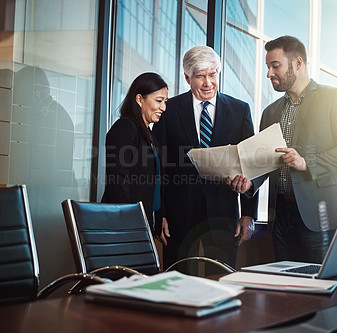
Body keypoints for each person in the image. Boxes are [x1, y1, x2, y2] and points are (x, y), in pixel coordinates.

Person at [227, 35, 337, 263]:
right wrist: (250, 182)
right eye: (267, 67)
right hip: (281, 217)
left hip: (321, 216)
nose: (269, 73)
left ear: (298, 63)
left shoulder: (334, 98)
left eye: (275, 66)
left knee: (321, 289)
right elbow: (265, 161)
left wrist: (307, 162)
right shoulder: (270, 112)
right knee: (287, 289)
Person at [153, 45, 258, 270]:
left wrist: (249, 214)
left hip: (223, 214)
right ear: (187, 77)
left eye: (212, 75)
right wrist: (159, 214)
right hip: (177, 215)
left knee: (220, 281)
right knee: (177, 281)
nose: (208, 82)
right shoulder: (168, 110)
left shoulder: (240, 111)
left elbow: (250, 164)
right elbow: (159, 165)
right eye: (200, 76)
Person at [101, 72, 168, 230]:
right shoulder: (125, 127)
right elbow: (119, 180)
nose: (163, 107)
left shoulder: (149, 134)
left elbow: (156, 181)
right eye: (158, 101)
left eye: (165, 101)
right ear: (139, 99)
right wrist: (130, 221)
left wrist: (160, 217)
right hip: (124, 222)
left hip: (143, 219)